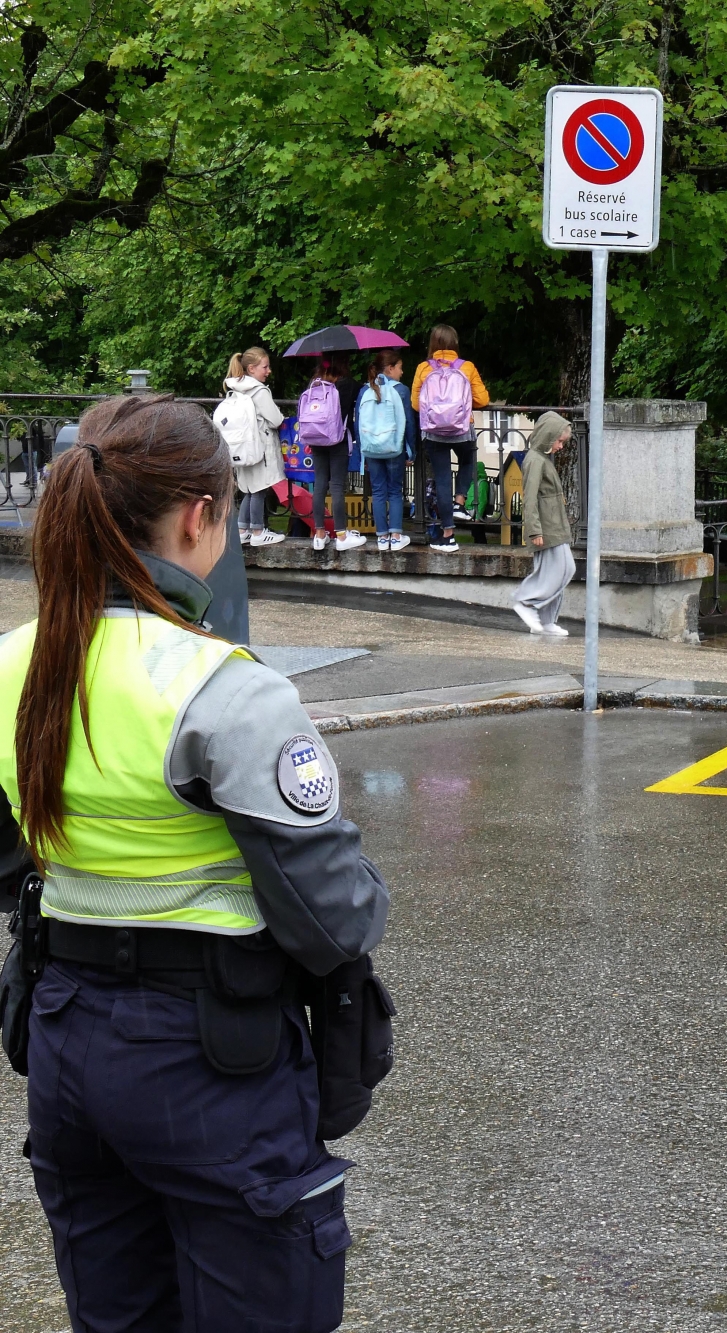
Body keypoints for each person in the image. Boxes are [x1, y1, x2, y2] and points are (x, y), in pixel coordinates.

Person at [0, 394, 389, 1330]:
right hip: (213, 1059)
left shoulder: (15, 663)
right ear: (201, 516)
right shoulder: (227, 690)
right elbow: (333, 915)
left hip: (66, 1045)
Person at [411, 324, 491, 552]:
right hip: (462, 430)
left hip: (433, 432)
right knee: (468, 461)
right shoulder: (466, 367)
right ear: (455, 344)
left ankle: (448, 536)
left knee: (443, 478)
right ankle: (460, 502)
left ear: (433, 344)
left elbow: (416, 404)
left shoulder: (423, 368)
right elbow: (483, 399)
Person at [215, 346, 287, 547]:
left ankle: (242, 529)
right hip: (260, 448)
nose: (268, 371)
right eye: (265, 367)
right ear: (252, 368)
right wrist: (281, 415)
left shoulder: (236, 389)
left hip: (242, 448)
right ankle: (257, 531)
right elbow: (275, 419)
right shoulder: (259, 391)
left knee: (249, 489)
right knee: (260, 489)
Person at [513, 411, 575, 636]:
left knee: (564, 570)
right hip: (546, 529)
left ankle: (546, 621)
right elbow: (529, 498)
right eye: (559, 441)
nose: (560, 446)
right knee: (559, 570)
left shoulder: (541, 459)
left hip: (554, 527)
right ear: (548, 436)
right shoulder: (535, 460)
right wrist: (534, 531)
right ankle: (525, 601)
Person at [302, 354, 366, 552]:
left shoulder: (313, 384)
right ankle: (341, 535)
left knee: (320, 484)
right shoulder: (348, 384)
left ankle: (320, 535)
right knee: (337, 486)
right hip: (337, 439)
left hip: (316, 438)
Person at [357, 351, 413, 552]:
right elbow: (408, 423)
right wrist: (410, 451)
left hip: (372, 449)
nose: (402, 371)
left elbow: (358, 424)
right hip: (393, 448)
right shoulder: (402, 390)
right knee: (395, 491)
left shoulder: (365, 390)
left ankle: (382, 537)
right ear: (390, 369)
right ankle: (396, 536)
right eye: (399, 367)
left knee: (378, 491)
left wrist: (361, 451)